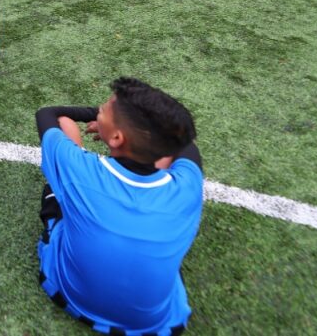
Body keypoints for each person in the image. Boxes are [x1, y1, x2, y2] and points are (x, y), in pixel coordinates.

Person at [35, 77, 203, 334]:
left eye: (104, 108)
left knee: (63, 145)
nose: (100, 109)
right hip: (155, 325)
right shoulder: (188, 186)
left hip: (70, 296)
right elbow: (185, 145)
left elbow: (49, 114)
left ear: (116, 138)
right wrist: (116, 127)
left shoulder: (80, 170)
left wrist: (101, 123)